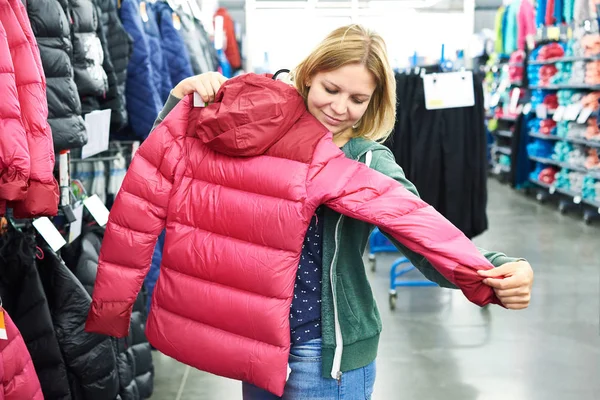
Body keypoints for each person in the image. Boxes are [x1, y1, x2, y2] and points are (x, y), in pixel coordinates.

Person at [90, 25, 534, 400]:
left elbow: (417, 230)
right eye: (331, 88)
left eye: (358, 99)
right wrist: (179, 104)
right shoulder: (256, 133)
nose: (340, 108)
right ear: (308, 76)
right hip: (256, 344)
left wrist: (489, 270)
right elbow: (158, 177)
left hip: (326, 353)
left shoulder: (365, 160)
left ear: (374, 103)